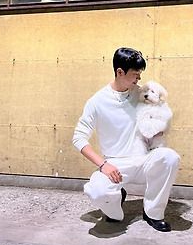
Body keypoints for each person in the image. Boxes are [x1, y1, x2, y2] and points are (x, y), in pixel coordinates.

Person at [72, 47, 180, 232]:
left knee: (170, 157)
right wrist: (103, 165)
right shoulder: (97, 101)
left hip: (144, 158)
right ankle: (115, 207)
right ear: (120, 72)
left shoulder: (142, 93)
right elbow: (78, 138)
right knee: (96, 191)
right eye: (135, 75)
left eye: (139, 74)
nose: (139, 79)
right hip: (115, 165)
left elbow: (162, 111)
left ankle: (153, 213)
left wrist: (159, 129)